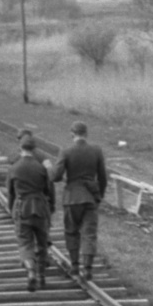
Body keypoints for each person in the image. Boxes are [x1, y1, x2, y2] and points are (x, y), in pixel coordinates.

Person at [54, 121, 107, 282]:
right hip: (90, 198)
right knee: (89, 234)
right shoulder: (96, 151)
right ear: (86, 133)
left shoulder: (66, 151)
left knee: (71, 232)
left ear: (72, 134)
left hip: (72, 198)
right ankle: (88, 269)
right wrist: (99, 197)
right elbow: (103, 177)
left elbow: (56, 176)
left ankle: (75, 267)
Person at [6, 134, 54, 292]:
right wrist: (50, 207)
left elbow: (11, 193)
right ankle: (41, 277)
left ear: (21, 148)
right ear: (34, 149)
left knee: (25, 243)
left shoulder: (14, 168)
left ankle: (31, 271)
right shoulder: (41, 168)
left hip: (22, 208)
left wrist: (11, 210)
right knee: (42, 243)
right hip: (40, 208)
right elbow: (48, 190)